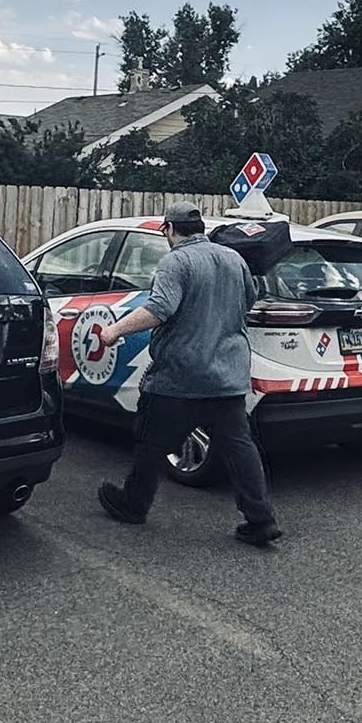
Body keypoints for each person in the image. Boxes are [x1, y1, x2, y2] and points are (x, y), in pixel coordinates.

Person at [91, 201, 283, 547]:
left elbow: (158, 309)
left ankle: (133, 505)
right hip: (228, 375)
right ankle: (261, 519)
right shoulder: (234, 259)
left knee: (151, 441)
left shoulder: (175, 261)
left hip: (181, 375)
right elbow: (249, 300)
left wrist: (114, 331)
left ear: (169, 229)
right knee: (240, 448)